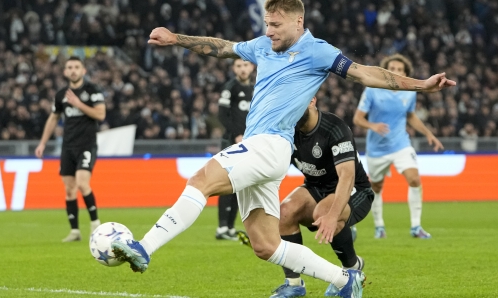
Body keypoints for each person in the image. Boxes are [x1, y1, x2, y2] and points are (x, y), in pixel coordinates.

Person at [111, 1, 455, 297]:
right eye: (267, 23)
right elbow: (221, 46)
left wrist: (421, 85)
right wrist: (176, 39)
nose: (270, 30)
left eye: (276, 25)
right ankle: (345, 279)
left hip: (270, 143)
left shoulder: (318, 51)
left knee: (201, 180)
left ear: (297, 22)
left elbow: (366, 74)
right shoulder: (263, 45)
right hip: (266, 151)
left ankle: (144, 247)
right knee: (265, 245)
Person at [270, 98, 373, 298]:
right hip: (316, 187)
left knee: (325, 212)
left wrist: (333, 215)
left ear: (311, 100)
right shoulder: (286, 130)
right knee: (284, 212)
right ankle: (293, 283)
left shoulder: (334, 128)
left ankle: (352, 269)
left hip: (355, 189)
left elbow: (347, 176)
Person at [353, 54, 444, 239]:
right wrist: (373, 126)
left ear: (405, 73)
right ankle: (379, 227)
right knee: (376, 187)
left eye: (399, 70)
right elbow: (357, 119)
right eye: (392, 68)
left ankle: (416, 227)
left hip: (401, 144)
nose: (395, 72)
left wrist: (429, 134)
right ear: (385, 71)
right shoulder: (372, 90)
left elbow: (410, 115)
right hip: (377, 149)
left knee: (414, 179)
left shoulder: (409, 92)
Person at [35, 56, 106, 242]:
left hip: (86, 145)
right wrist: (43, 143)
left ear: (83, 71)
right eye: (69, 67)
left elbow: (100, 114)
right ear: (65, 72)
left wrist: (79, 104)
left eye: (76, 67)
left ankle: (95, 224)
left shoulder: (92, 91)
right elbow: (53, 118)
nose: (73, 70)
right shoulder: (61, 95)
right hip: (68, 147)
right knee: (69, 189)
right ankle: (75, 231)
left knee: (83, 183)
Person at [216, 58, 255, 240]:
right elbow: (222, 115)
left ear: (252, 67)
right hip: (232, 141)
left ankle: (230, 227)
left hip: (250, 142)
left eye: (245, 65)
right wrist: (237, 133)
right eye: (239, 66)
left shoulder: (256, 88)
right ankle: (222, 227)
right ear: (234, 68)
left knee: (239, 184)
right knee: (226, 183)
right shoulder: (229, 87)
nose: (242, 69)